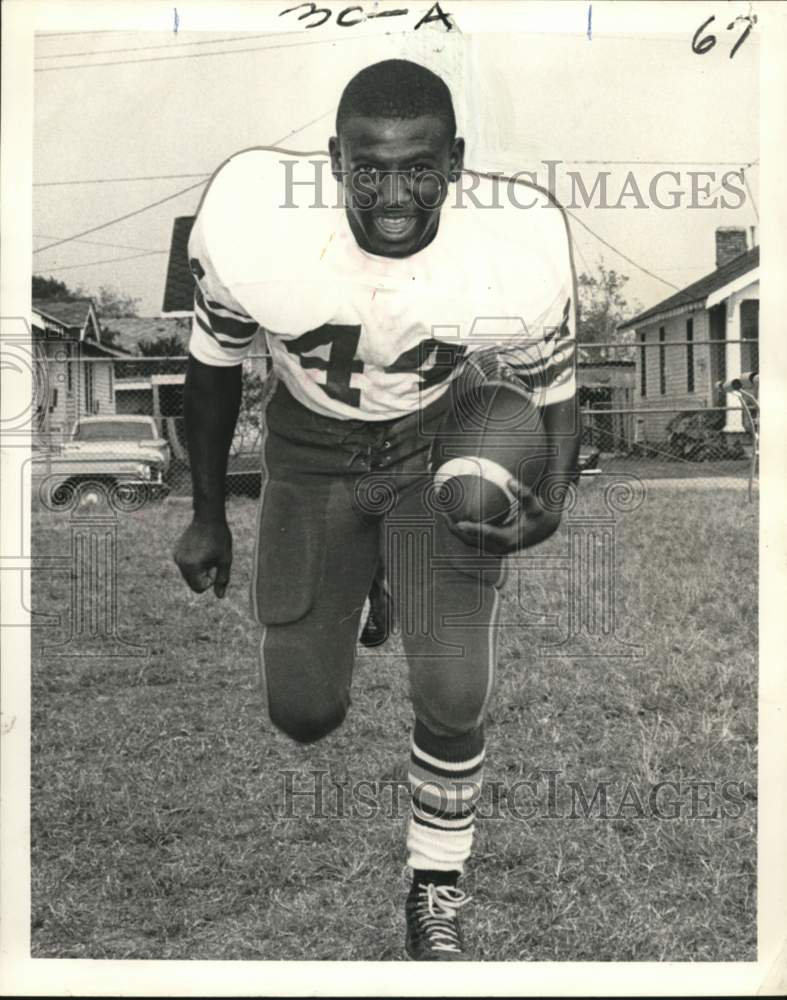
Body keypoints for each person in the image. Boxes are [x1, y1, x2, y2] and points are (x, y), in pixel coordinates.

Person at [174, 58, 579, 960]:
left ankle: (435, 885)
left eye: (419, 166)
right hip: (312, 453)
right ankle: (366, 586)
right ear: (334, 161)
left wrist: (548, 501)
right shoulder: (255, 225)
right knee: (304, 714)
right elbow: (209, 370)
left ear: (457, 161)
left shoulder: (513, 246)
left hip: (438, 445)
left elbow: (556, 392)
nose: (394, 193)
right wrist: (207, 513)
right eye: (370, 168)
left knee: (453, 689)